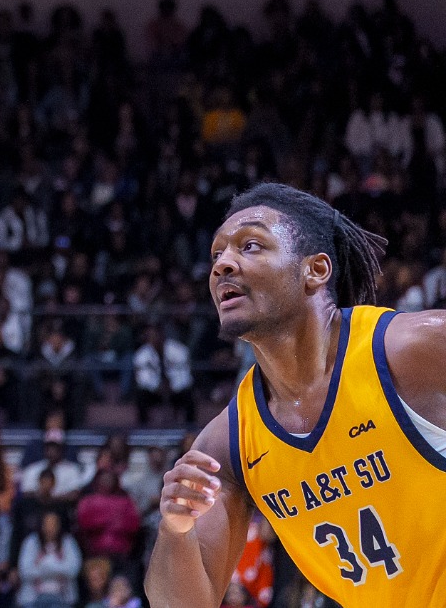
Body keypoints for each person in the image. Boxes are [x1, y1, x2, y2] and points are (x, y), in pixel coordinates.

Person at [147, 182, 446, 607]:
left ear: (315, 270)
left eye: (250, 246)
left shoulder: (409, 349)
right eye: (216, 255)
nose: (222, 265)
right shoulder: (228, 443)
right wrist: (174, 528)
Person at [17, 510, 81, 608]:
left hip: (63, 599)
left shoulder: (68, 541)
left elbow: (73, 570)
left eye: (53, 524)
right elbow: (25, 571)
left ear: (59, 526)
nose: (50, 528)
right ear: (41, 525)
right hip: (33, 599)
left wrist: (43, 567)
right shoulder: (31, 541)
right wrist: (58, 568)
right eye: (47, 524)